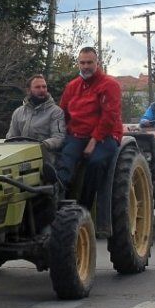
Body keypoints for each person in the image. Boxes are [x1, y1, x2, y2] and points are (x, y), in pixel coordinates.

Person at [57, 47, 123, 205]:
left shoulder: (109, 85)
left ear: (97, 62)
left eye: (89, 62)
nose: (85, 66)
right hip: (77, 134)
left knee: (96, 163)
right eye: (82, 63)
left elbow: (109, 116)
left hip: (105, 135)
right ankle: (57, 202)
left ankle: (84, 206)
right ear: (78, 63)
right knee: (63, 162)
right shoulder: (72, 86)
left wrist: (94, 140)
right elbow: (62, 113)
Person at [6, 75, 66, 161]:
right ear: (28, 90)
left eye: (44, 87)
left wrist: (42, 145)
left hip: (45, 159)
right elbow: (11, 137)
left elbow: (59, 138)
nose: (42, 90)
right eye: (37, 87)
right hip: (20, 158)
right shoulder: (18, 112)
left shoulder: (56, 112)